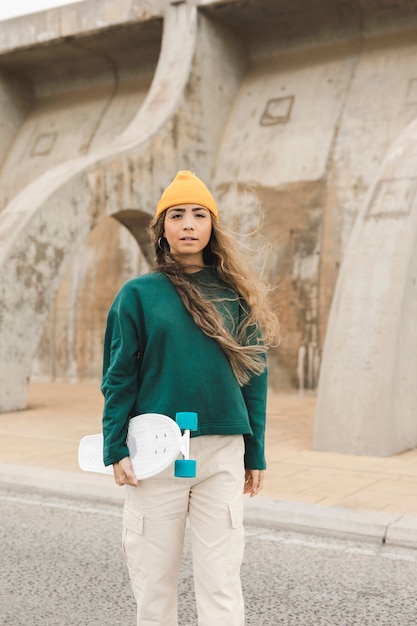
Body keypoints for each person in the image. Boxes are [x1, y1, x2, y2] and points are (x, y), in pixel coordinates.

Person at [101, 170, 279, 626]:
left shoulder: (237, 297)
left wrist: (255, 452)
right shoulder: (137, 295)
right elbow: (118, 375)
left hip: (222, 452)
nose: (188, 223)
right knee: (154, 585)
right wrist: (114, 445)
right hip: (156, 453)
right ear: (161, 228)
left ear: (211, 227)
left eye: (199, 214)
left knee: (220, 582)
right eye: (176, 214)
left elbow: (253, 380)